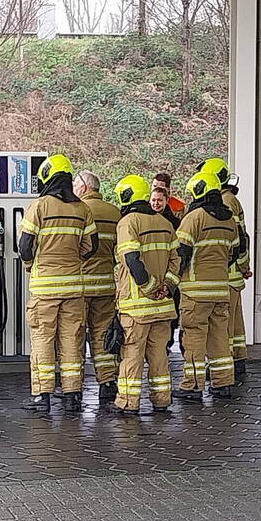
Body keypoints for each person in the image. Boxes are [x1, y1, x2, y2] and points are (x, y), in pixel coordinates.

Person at [18, 154, 97, 413]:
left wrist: (35, 263)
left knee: (42, 340)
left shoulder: (39, 206)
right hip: (74, 288)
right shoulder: (83, 209)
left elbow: (25, 246)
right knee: (72, 340)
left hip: (44, 288)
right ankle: (73, 394)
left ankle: (42, 396)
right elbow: (91, 247)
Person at [112, 175, 180, 415]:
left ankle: (128, 402)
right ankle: (161, 399)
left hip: (136, 307)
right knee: (159, 356)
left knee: (132, 355)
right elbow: (176, 261)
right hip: (163, 307)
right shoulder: (165, 223)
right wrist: (167, 288)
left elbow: (132, 260)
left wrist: (149, 287)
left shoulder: (128, 223)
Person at [174, 171, 238, 401]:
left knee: (193, 336)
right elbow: (235, 251)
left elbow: (181, 253)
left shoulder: (194, 218)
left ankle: (192, 385)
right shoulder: (229, 219)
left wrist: (173, 278)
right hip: (220, 290)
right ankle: (223, 383)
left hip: (195, 292)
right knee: (220, 336)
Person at [198, 158, 252, 380]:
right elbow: (243, 238)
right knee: (235, 322)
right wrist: (244, 265)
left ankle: (224, 364)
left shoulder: (225, 202)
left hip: (225, 274)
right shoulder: (231, 199)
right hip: (232, 273)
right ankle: (237, 358)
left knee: (224, 326)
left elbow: (235, 239)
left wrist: (238, 264)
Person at [73, 169, 122, 402]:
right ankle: (108, 381)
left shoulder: (78, 210)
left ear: (83, 187)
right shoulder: (115, 213)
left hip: (80, 285)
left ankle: (73, 386)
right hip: (105, 284)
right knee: (103, 334)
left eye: (75, 184)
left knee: (75, 335)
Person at [151, 184, 182, 352]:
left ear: (166, 202)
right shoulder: (145, 220)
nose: (156, 204)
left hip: (169, 275)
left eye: (160, 200)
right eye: (154, 200)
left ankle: (167, 343)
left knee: (171, 312)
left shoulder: (175, 223)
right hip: (152, 274)